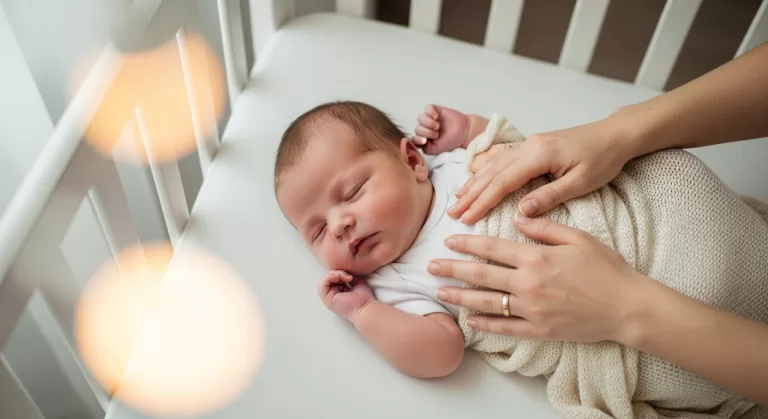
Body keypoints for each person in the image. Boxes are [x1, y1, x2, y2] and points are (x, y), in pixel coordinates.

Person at [426, 42, 768, 405]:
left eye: (357, 190)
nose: (354, 222)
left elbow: (496, 144)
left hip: (646, 223)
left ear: (409, 162)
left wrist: (623, 307)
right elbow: (433, 347)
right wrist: (619, 131)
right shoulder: (391, 284)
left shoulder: (450, 169)